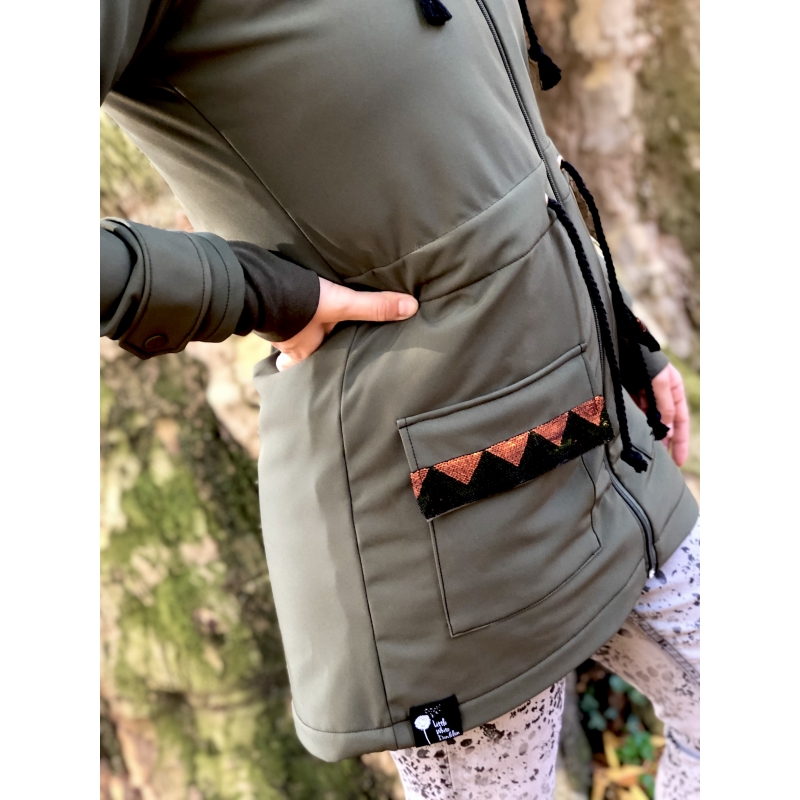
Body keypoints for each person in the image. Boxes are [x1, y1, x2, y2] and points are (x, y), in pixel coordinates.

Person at [100, 1, 699, 797]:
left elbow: (495, 134)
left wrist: (618, 325)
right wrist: (243, 291)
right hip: (440, 513)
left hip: (602, 430)